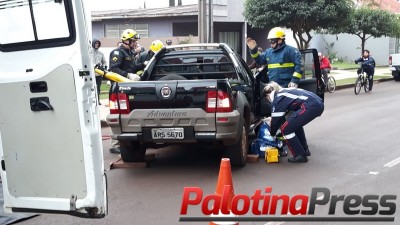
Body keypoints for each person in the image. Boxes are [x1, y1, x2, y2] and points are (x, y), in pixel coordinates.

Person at [263, 81, 324, 163]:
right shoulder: (284, 93)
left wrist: (272, 133)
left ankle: (299, 155)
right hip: (317, 103)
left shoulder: (278, 98)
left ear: (268, 95)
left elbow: (275, 121)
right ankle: (304, 150)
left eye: (267, 98)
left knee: (286, 129)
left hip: (310, 105)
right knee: (294, 126)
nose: (268, 100)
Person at [108, 29, 146, 154]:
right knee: (118, 114)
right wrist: (128, 75)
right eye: (134, 41)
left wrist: (143, 64)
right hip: (118, 89)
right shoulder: (118, 52)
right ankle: (115, 144)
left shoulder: (128, 53)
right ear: (127, 40)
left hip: (127, 87)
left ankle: (125, 141)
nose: (135, 44)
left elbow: (133, 67)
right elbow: (113, 69)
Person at [91, 39, 107, 105]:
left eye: (98, 43)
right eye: (96, 43)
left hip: (99, 74)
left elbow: (104, 62)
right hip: (91, 73)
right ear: (93, 44)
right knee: (92, 87)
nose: (97, 44)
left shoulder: (101, 53)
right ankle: (92, 101)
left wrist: (104, 67)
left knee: (98, 87)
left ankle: (98, 100)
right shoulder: (89, 52)